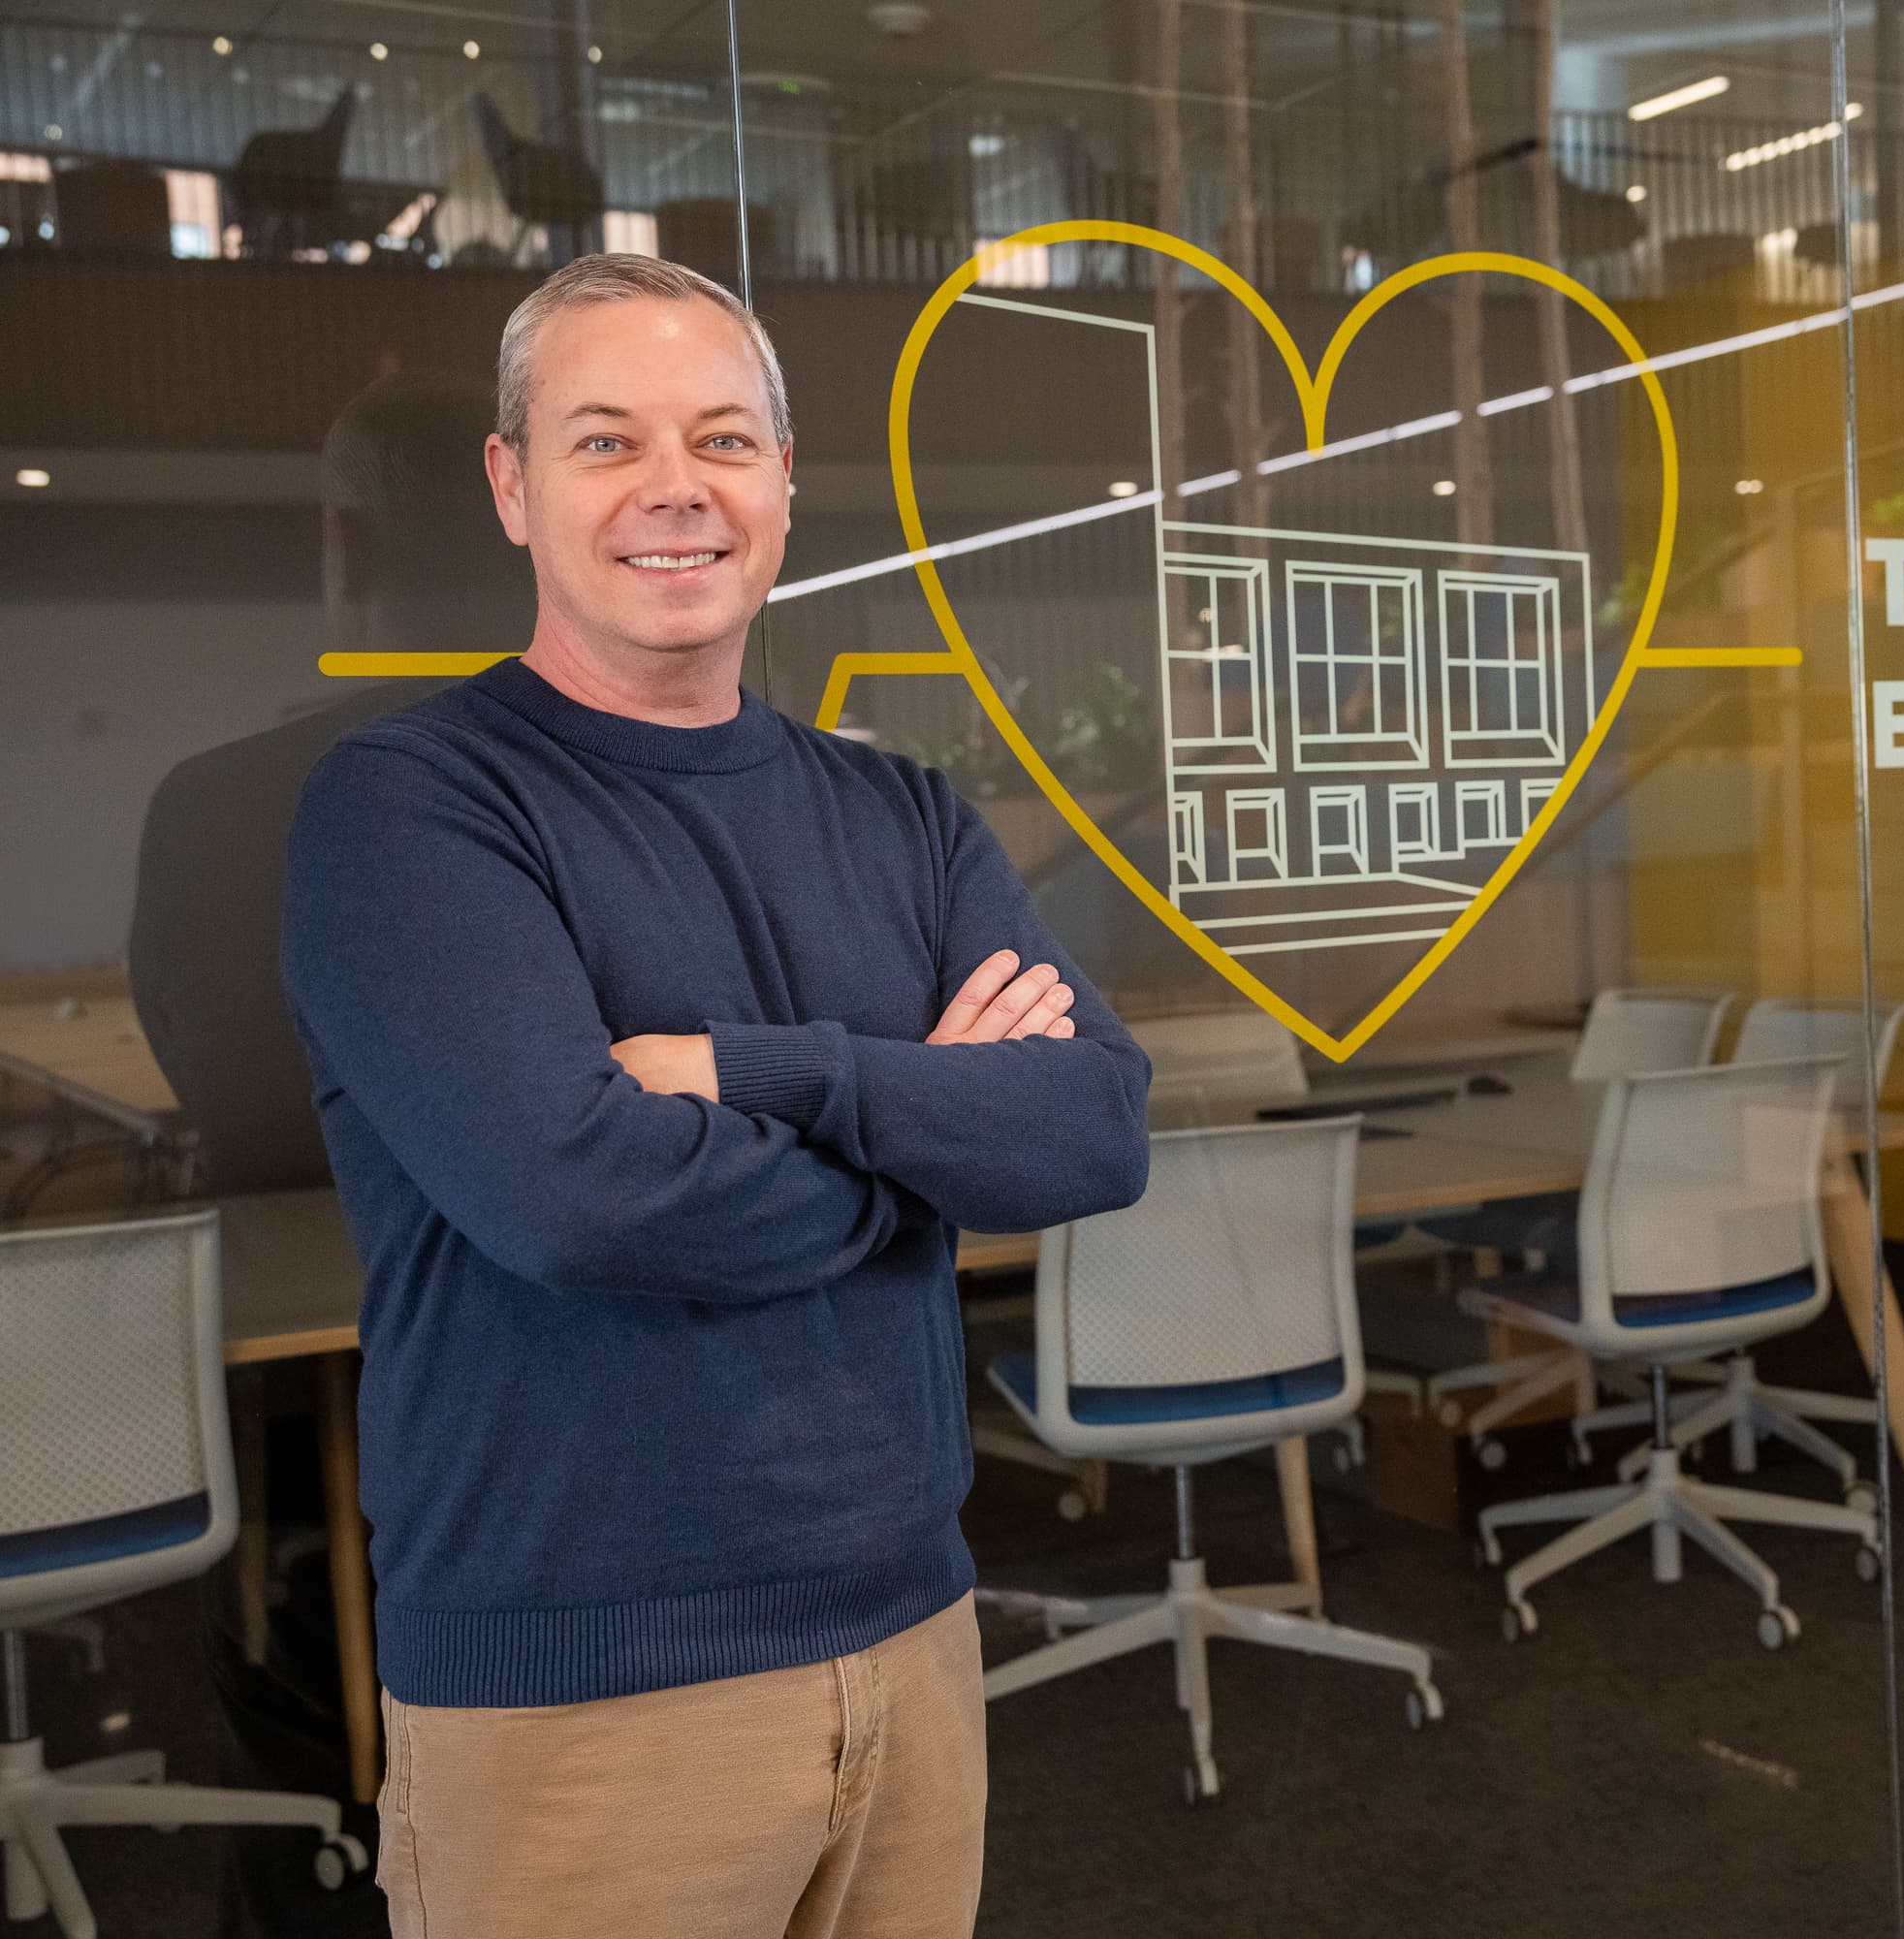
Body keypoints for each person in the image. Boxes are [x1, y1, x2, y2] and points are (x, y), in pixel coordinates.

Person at [280, 253, 1153, 1938]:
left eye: (723, 440)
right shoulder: (407, 813)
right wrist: (924, 1126)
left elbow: (1094, 1127)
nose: (675, 489)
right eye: (606, 442)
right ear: (512, 485)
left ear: (782, 484)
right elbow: (583, 1196)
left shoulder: (905, 814)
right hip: (584, 1697)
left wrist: (765, 1075)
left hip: (913, 1641)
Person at [132, 370, 527, 1195]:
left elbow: (225, 1096)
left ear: (344, 549)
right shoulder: (633, 785)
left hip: (293, 1300)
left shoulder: (212, 814)